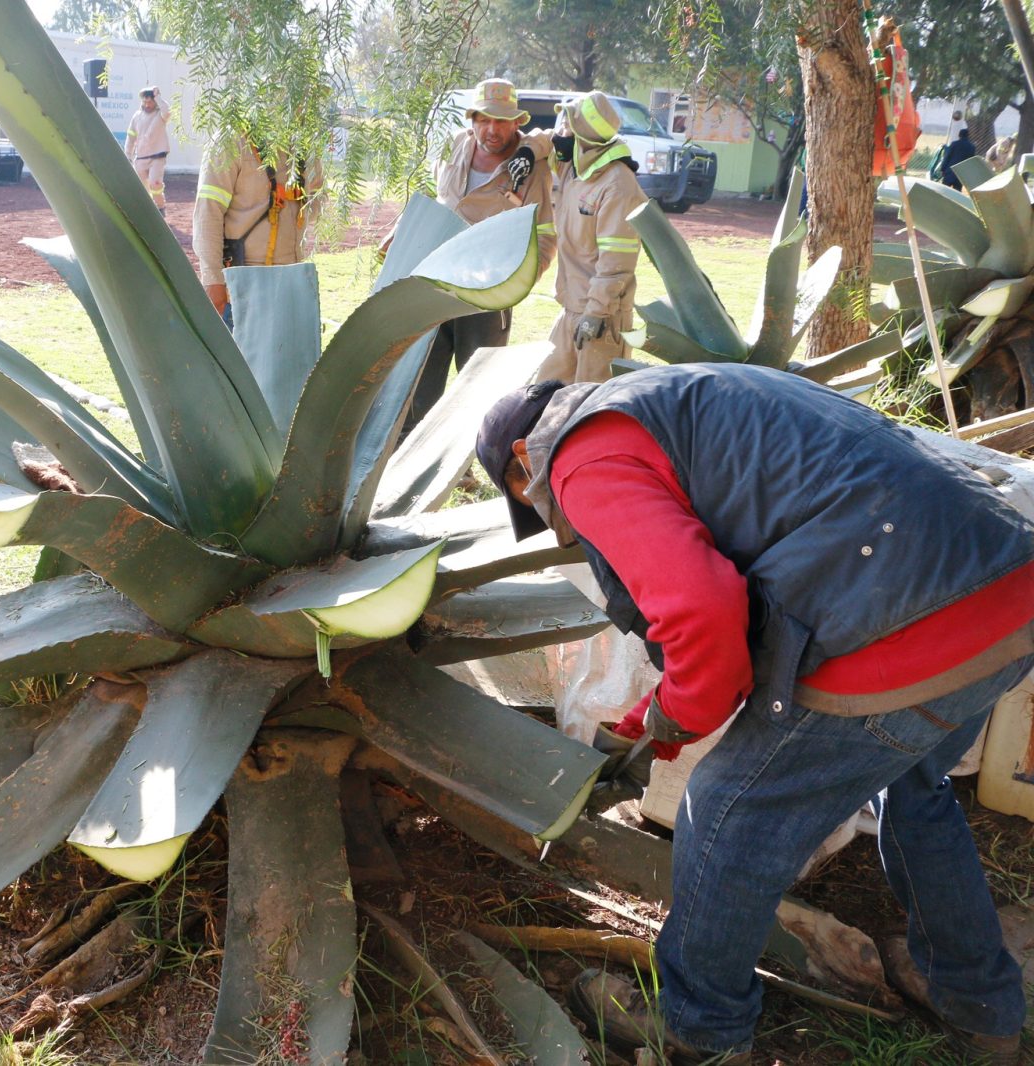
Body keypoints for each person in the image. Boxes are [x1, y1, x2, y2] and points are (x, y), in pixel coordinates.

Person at [476, 363, 1034, 1065]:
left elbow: (705, 614)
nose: (551, 518)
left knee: (731, 809)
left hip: (904, 626)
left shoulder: (581, 456)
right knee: (915, 788)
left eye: (529, 499)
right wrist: (664, 705)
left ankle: (696, 1031)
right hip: (1004, 594)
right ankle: (979, 1006)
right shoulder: (681, 395)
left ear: (523, 459)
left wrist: (683, 712)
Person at [405, 78, 557, 431]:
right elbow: (431, 200)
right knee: (423, 374)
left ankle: (468, 462)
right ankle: (409, 452)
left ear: (517, 122)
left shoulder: (532, 167)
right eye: (484, 119)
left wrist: (514, 285)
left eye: (502, 120)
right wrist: (403, 233)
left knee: (478, 381)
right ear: (471, 119)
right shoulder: (456, 145)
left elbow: (545, 235)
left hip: (487, 291)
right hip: (436, 280)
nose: (492, 129)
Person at [539, 91, 648, 384]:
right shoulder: (574, 168)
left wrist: (596, 313)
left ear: (582, 135)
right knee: (543, 393)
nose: (559, 134)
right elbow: (539, 141)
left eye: (566, 128)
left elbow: (617, 261)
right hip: (571, 308)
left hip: (601, 318)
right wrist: (526, 152)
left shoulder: (617, 184)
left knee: (589, 405)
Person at [192, 135, 323, 323]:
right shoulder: (230, 140)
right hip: (242, 287)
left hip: (291, 284)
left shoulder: (303, 141)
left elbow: (318, 199)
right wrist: (213, 281)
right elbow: (208, 214)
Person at [125, 85, 171, 214]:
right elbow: (131, 136)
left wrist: (158, 97)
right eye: (145, 102)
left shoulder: (161, 115)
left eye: (150, 102)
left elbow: (167, 111)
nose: (147, 104)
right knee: (141, 187)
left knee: (155, 183)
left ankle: (160, 207)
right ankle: (147, 211)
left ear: (155, 101)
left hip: (157, 157)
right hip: (140, 158)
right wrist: (128, 154)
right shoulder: (137, 116)